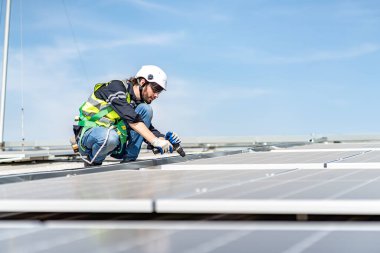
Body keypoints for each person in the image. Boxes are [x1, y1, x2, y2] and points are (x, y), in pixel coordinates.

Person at [72, 65, 181, 166]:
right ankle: (92, 162)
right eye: (155, 89)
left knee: (145, 110)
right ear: (143, 82)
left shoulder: (137, 103)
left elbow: (145, 127)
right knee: (110, 137)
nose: (156, 95)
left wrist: (163, 138)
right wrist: (155, 141)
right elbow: (130, 117)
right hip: (90, 133)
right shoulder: (116, 87)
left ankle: (129, 159)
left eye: (159, 92)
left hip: (112, 135)